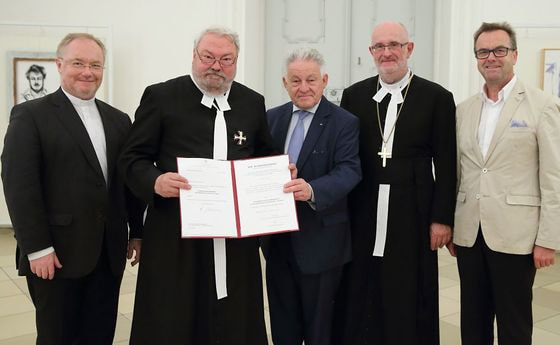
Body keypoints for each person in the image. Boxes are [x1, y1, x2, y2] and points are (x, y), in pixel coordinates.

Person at [119, 27, 280, 345]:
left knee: (234, 316)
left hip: (235, 239)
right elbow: (132, 158)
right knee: (174, 316)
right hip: (176, 234)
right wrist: (156, 181)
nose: (216, 66)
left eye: (226, 59)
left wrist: (277, 173)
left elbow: (264, 156)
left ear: (236, 62)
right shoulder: (162, 97)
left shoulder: (251, 101)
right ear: (194, 56)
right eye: (208, 57)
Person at [1, 33, 143, 345]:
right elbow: (19, 187)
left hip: (108, 252)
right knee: (58, 336)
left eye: (95, 65)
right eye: (78, 63)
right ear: (59, 64)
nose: (87, 71)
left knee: (100, 333)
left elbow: (127, 181)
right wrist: (37, 247)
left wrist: (137, 232)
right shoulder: (30, 116)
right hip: (56, 254)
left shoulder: (119, 120)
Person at [333, 21, 457, 345]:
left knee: (408, 286)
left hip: (413, 212)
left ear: (409, 49)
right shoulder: (355, 95)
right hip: (364, 210)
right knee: (362, 282)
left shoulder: (437, 98)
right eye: (379, 47)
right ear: (371, 52)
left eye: (394, 45)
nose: (386, 53)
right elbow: (344, 156)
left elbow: (446, 164)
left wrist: (442, 218)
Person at [451, 22, 560, 345]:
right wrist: (454, 223)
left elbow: (553, 176)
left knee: (513, 324)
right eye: (483, 52)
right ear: (476, 59)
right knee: (472, 321)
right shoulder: (464, 110)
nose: (491, 58)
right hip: (470, 233)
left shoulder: (542, 106)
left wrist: (548, 239)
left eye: (499, 50)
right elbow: (460, 172)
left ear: (514, 54)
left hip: (517, 235)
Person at [264, 48, 361, 345]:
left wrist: (311, 190)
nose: (303, 87)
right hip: (277, 244)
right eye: (295, 80)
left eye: (310, 80)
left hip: (322, 245)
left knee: (320, 330)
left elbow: (349, 170)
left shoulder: (344, 122)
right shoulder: (271, 119)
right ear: (284, 82)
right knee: (283, 326)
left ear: (324, 81)